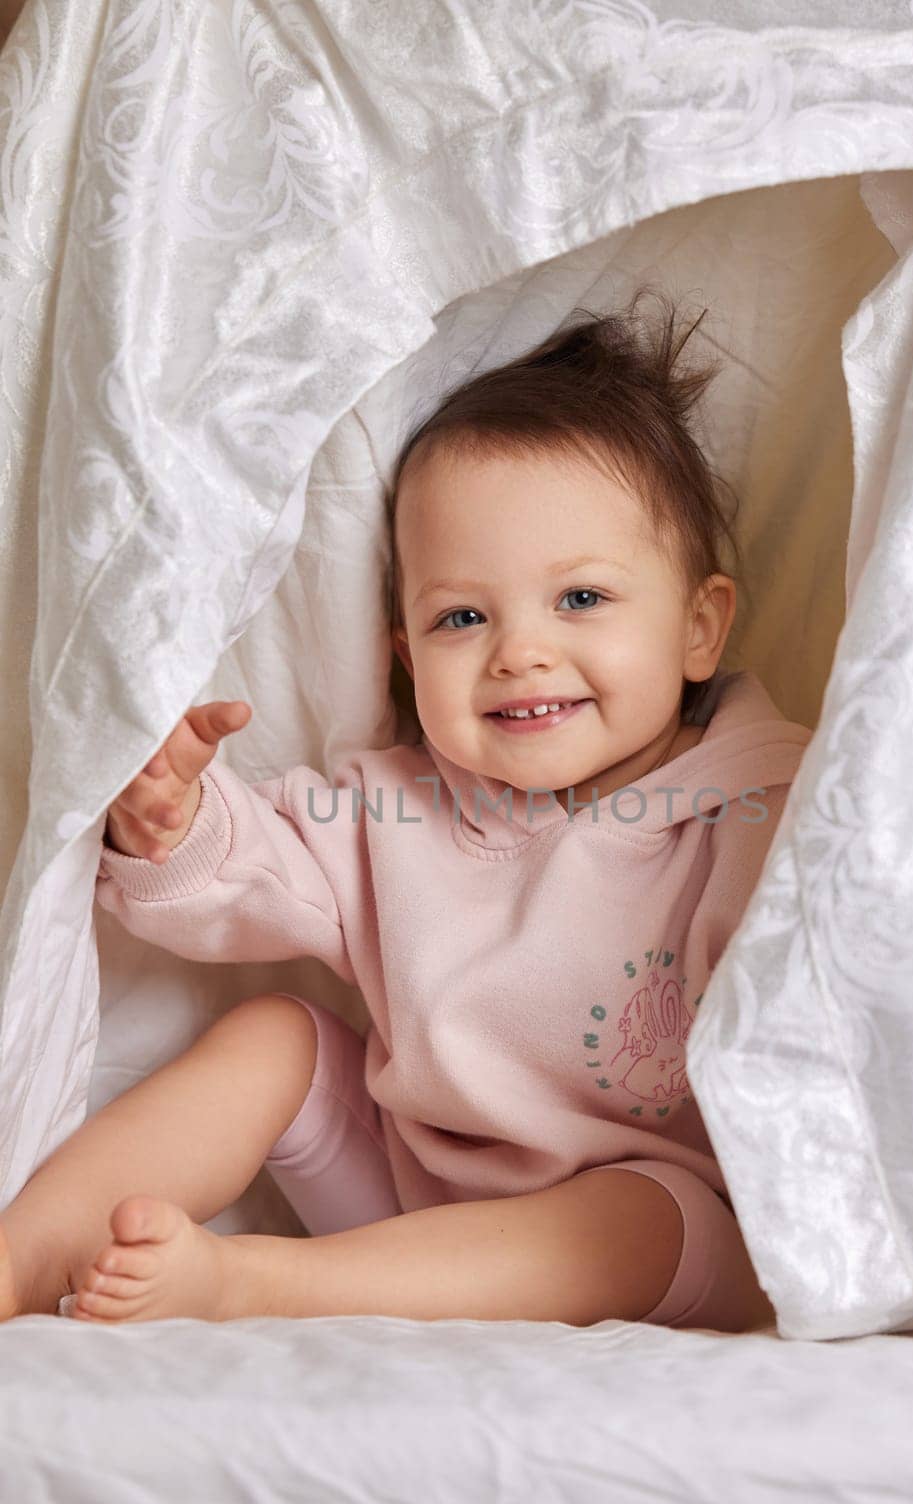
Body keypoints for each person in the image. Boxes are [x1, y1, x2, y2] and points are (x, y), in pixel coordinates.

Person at [0, 287, 812, 1331]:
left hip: (643, 1233)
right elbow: (256, 872)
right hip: (400, 1201)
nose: (519, 650)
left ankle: (250, 1282)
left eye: (580, 599)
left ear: (699, 627)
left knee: (644, 1212)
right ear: (404, 660)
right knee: (273, 1037)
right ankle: (24, 1250)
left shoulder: (766, 809)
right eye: (462, 615)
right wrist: (169, 821)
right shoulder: (394, 809)